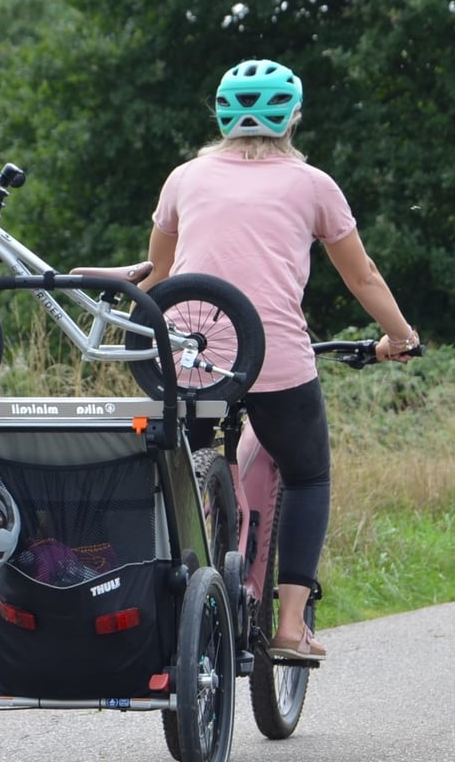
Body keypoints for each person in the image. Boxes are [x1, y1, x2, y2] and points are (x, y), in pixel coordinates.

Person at [142, 58, 419, 661]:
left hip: (189, 356)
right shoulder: (314, 184)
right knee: (307, 474)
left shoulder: (183, 178)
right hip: (273, 358)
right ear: (293, 118)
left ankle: (168, 608)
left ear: (220, 116)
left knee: (170, 477)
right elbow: (363, 276)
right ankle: (291, 626)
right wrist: (400, 335)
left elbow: (156, 274)